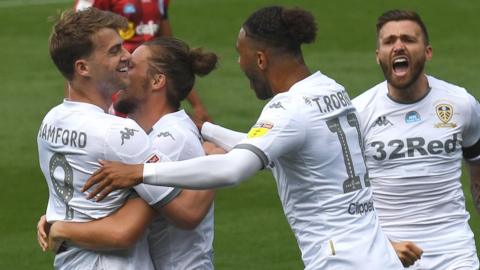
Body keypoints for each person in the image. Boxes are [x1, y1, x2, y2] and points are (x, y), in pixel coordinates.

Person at [81, 6, 404, 269]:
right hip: (375, 251)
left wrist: (140, 171)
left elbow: (234, 169)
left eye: (242, 55)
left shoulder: (288, 109)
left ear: (260, 59)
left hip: (340, 259)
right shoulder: (331, 90)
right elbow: (267, 148)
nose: (240, 64)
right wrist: (206, 130)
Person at [38, 37, 218, 269]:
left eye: (130, 66)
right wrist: (62, 213)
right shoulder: (140, 135)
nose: (121, 71)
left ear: (156, 81)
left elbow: (125, 229)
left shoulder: (171, 140)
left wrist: (63, 228)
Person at [351, 9, 480, 269]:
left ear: (427, 51)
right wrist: (376, 247)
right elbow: (344, 196)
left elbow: (477, 163)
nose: (398, 46)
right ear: (379, 57)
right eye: (389, 41)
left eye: (408, 39)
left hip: (454, 253)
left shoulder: (461, 104)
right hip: (387, 253)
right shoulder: (358, 114)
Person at [74, 0, 212, 125]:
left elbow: (171, 54)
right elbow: (76, 53)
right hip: (118, 83)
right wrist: (77, 107)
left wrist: (197, 105)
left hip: (146, 86)